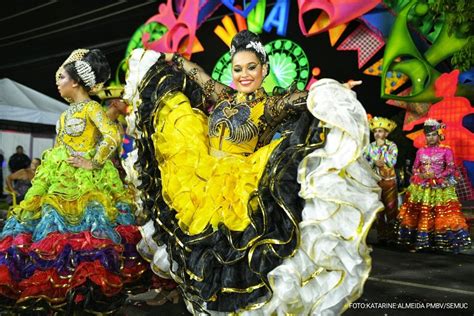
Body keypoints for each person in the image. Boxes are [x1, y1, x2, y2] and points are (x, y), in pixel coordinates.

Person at [124, 30, 382, 315]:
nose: (244, 75)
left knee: (231, 256)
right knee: (198, 250)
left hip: (239, 186)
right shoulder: (222, 95)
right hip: (200, 178)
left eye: (251, 67)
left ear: (264, 69)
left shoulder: (270, 105)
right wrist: (174, 59)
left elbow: (299, 100)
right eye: (237, 69)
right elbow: (199, 75)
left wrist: (322, 98)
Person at [0, 49, 148, 313]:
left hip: (87, 182)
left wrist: (94, 161)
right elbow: (60, 146)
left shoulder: (92, 108)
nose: (57, 83)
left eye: (61, 77)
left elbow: (112, 136)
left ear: (75, 82)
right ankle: (61, 284)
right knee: (52, 228)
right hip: (58, 178)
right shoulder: (64, 114)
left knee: (86, 232)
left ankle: (83, 288)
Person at [396, 118, 471, 252]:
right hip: (423, 186)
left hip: (439, 187)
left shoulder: (446, 150)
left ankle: (444, 243)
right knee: (422, 213)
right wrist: (421, 174)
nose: (430, 138)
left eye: (433, 135)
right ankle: (423, 243)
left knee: (441, 213)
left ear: (439, 135)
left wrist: (436, 176)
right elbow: (414, 168)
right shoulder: (421, 151)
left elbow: (451, 168)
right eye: (428, 135)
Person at [364, 116, 398, 244]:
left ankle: (392, 235)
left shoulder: (392, 146)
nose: (377, 134)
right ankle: (381, 234)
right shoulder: (369, 147)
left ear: (386, 133)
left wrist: (381, 151)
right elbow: (364, 161)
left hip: (389, 182)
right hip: (374, 183)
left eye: (380, 131)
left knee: (391, 208)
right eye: (375, 131)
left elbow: (392, 161)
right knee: (378, 210)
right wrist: (373, 162)